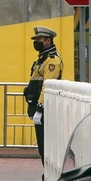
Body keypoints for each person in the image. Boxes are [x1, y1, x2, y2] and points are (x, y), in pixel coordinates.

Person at [23, 26, 63, 165]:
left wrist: (40, 109)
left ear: (48, 41)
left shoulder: (52, 60)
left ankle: (49, 176)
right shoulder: (42, 59)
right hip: (38, 107)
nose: (36, 42)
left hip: (47, 109)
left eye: (39, 39)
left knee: (47, 146)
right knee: (42, 146)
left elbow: (47, 86)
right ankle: (46, 175)